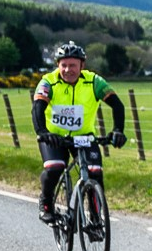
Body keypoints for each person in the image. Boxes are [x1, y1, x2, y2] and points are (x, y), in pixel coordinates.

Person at [31, 42, 127, 223]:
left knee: (95, 172)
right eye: (63, 65)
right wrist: (42, 131)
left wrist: (118, 131)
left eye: (73, 65)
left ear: (82, 65)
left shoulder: (94, 82)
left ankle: (96, 217)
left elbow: (117, 105)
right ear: (58, 65)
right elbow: (37, 108)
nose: (68, 69)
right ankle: (46, 202)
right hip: (54, 137)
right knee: (55, 167)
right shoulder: (48, 81)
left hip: (84, 137)